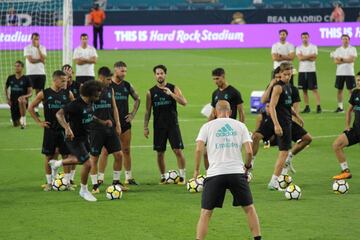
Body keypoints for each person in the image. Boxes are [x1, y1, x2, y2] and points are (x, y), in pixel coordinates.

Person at [193, 100, 261, 240]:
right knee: (249, 209)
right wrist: (247, 167)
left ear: (215, 112)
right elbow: (249, 152)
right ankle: (258, 238)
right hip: (236, 173)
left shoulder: (207, 126)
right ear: (230, 112)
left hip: (215, 174)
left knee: (206, 212)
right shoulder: (240, 126)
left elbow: (199, 149)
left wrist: (196, 170)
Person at [49, 80, 103, 202]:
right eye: (96, 95)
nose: (98, 97)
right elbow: (59, 114)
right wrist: (67, 128)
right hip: (74, 138)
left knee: (80, 160)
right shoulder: (75, 104)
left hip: (85, 137)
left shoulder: (89, 102)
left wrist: (102, 122)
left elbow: (89, 116)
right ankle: (83, 190)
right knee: (88, 163)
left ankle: (57, 164)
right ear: (89, 93)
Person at [28, 70, 75, 191]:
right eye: (63, 81)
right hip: (50, 130)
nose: (65, 83)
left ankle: (67, 182)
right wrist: (39, 122)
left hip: (64, 129)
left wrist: (70, 126)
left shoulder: (68, 93)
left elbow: (75, 109)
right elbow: (31, 107)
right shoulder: (44, 93)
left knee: (66, 155)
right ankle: (49, 183)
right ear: (55, 80)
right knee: (49, 156)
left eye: (66, 80)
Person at [98, 61, 140, 185]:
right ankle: (100, 178)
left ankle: (128, 177)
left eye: (125, 71)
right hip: (110, 124)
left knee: (126, 150)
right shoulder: (107, 86)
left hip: (125, 124)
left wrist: (132, 114)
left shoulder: (127, 85)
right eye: (122, 71)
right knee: (105, 152)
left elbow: (137, 98)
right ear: (115, 70)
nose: (124, 73)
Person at [144, 64, 187, 184]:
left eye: (161, 73)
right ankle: (163, 177)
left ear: (165, 74)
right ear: (155, 75)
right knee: (160, 153)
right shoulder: (150, 92)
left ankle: (182, 176)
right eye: (157, 73)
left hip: (173, 125)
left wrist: (171, 94)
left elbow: (184, 102)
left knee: (178, 150)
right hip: (158, 126)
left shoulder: (173, 88)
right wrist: (145, 127)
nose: (159, 75)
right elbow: (148, 111)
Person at [267, 63, 303, 190]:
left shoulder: (288, 87)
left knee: (305, 139)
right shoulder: (278, 88)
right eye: (285, 74)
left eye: (289, 74)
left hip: (288, 121)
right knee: (283, 153)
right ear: (280, 74)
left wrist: (297, 116)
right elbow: (271, 106)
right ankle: (273, 182)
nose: (288, 76)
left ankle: (278, 176)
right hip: (282, 123)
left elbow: (287, 106)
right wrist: (276, 125)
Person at [89, 67, 125, 193]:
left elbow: (114, 107)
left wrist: (118, 124)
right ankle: (94, 185)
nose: (111, 82)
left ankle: (116, 182)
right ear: (101, 78)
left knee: (119, 155)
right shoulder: (91, 90)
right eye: (108, 79)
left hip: (110, 129)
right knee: (94, 157)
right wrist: (102, 121)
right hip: (96, 130)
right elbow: (87, 112)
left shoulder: (110, 89)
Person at [332, 73, 360, 180]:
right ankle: (345, 171)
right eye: (357, 80)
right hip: (356, 130)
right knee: (337, 145)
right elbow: (349, 110)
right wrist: (347, 126)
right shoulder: (355, 93)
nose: (358, 82)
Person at [296, 32, 322, 114]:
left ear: (309, 37)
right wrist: (309, 56)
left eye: (306, 37)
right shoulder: (298, 47)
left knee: (314, 89)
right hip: (302, 70)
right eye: (303, 37)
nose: (304, 38)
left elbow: (314, 58)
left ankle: (318, 106)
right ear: (301, 38)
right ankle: (307, 107)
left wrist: (304, 57)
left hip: (311, 70)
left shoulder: (313, 47)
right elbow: (300, 58)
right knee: (304, 90)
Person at [331, 34, 357, 113]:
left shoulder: (352, 49)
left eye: (346, 39)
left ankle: (353, 107)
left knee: (351, 91)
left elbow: (352, 60)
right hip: (340, 73)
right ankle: (340, 107)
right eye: (343, 39)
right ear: (341, 40)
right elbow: (335, 61)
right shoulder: (338, 50)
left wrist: (341, 59)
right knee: (339, 90)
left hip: (349, 73)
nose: (345, 40)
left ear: (349, 40)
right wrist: (346, 60)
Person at [24, 32, 47, 116]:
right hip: (30, 73)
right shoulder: (27, 48)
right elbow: (31, 60)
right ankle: (25, 110)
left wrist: (38, 49)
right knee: (27, 93)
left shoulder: (42, 48)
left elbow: (43, 58)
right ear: (31, 39)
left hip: (41, 73)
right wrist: (40, 60)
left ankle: (36, 110)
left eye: (37, 39)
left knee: (39, 93)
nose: (35, 41)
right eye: (34, 39)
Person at [5, 61, 32, 128]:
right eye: (15, 66)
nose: (16, 67)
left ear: (22, 68)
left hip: (23, 102)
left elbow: (30, 93)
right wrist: (8, 99)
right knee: (16, 124)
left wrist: (24, 96)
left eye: (18, 66)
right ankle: (18, 120)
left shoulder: (26, 78)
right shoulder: (10, 78)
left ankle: (23, 120)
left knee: (21, 100)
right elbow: (5, 88)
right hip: (13, 102)